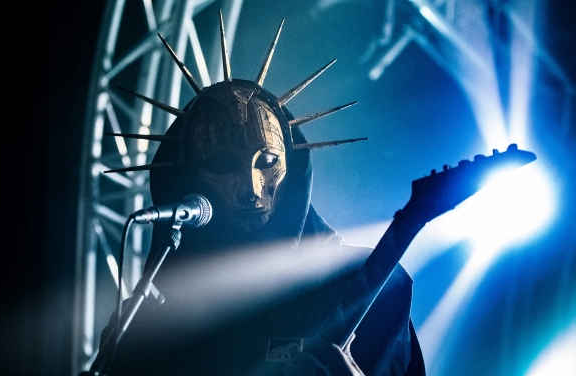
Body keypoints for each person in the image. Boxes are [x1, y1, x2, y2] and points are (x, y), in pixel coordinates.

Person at [92, 13, 425, 376]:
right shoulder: (150, 327)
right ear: (188, 181)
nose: (251, 188)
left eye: (266, 161)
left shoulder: (365, 284)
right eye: (222, 165)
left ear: (293, 167)